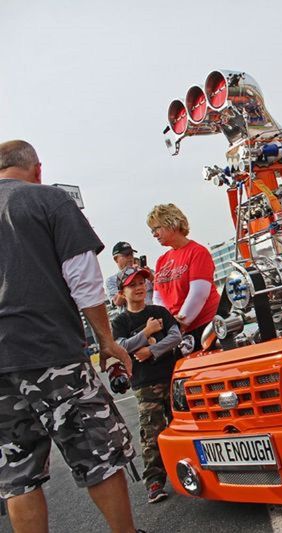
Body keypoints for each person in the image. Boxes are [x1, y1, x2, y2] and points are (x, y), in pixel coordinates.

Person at [0, 140, 140, 532]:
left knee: (18, 473)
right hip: (49, 351)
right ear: (37, 169)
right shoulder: (47, 200)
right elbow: (84, 280)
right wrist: (107, 341)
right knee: (98, 451)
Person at [111, 266, 181, 505]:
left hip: (172, 377)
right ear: (122, 291)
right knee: (151, 433)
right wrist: (147, 331)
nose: (139, 288)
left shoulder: (158, 310)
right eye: (132, 285)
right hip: (144, 384)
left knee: (181, 427)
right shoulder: (120, 321)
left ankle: (189, 472)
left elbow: (175, 336)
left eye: (142, 283)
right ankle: (154, 481)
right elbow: (120, 347)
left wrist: (151, 349)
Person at [147, 203, 220, 352]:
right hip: (178, 331)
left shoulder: (197, 252)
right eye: (152, 230)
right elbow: (158, 299)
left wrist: (180, 323)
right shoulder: (162, 260)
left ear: (172, 224)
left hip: (206, 326)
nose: (154, 234)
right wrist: (168, 324)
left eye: (157, 228)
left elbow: (198, 294)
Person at [105, 241, 154, 308]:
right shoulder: (111, 280)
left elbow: (163, 289)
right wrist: (127, 276)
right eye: (126, 255)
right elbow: (117, 302)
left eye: (131, 254)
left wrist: (150, 277)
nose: (130, 257)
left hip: (153, 314)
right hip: (131, 317)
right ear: (116, 259)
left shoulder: (145, 272)